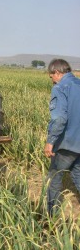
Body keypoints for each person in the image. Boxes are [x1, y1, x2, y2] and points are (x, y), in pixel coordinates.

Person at [44, 59, 80, 216]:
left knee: (54, 177)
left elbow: (59, 119)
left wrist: (50, 141)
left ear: (57, 73)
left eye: (51, 76)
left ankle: (51, 217)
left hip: (67, 143)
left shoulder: (60, 88)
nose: (51, 80)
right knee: (78, 174)